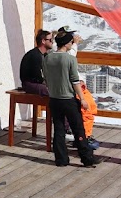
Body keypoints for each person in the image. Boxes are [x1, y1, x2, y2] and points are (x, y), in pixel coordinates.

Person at [41, 30, 101, 168]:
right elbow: (75, 81)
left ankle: (61, 159)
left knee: (59, 129)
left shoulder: (47, 57)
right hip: (68, 98)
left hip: (54, 99)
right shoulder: (70, 59)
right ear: (67, 43)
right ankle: (87, 158)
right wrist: (82, 99)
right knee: (78, 129)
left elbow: (46, 78)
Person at [20, 29, 52, 96]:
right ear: (43, 41)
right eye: (50, 40)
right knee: (53, 91)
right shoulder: (34, 55)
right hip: (29, 84)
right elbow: (37, 77)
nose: (52, 42)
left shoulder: (45, 55)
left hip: (37, 83)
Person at [78, 80, 100, 150]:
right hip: (87, 115)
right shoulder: (84, 94)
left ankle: (84, 138)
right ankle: (85, 139)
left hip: (87, 113)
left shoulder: (84, 94)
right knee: (86, 119)